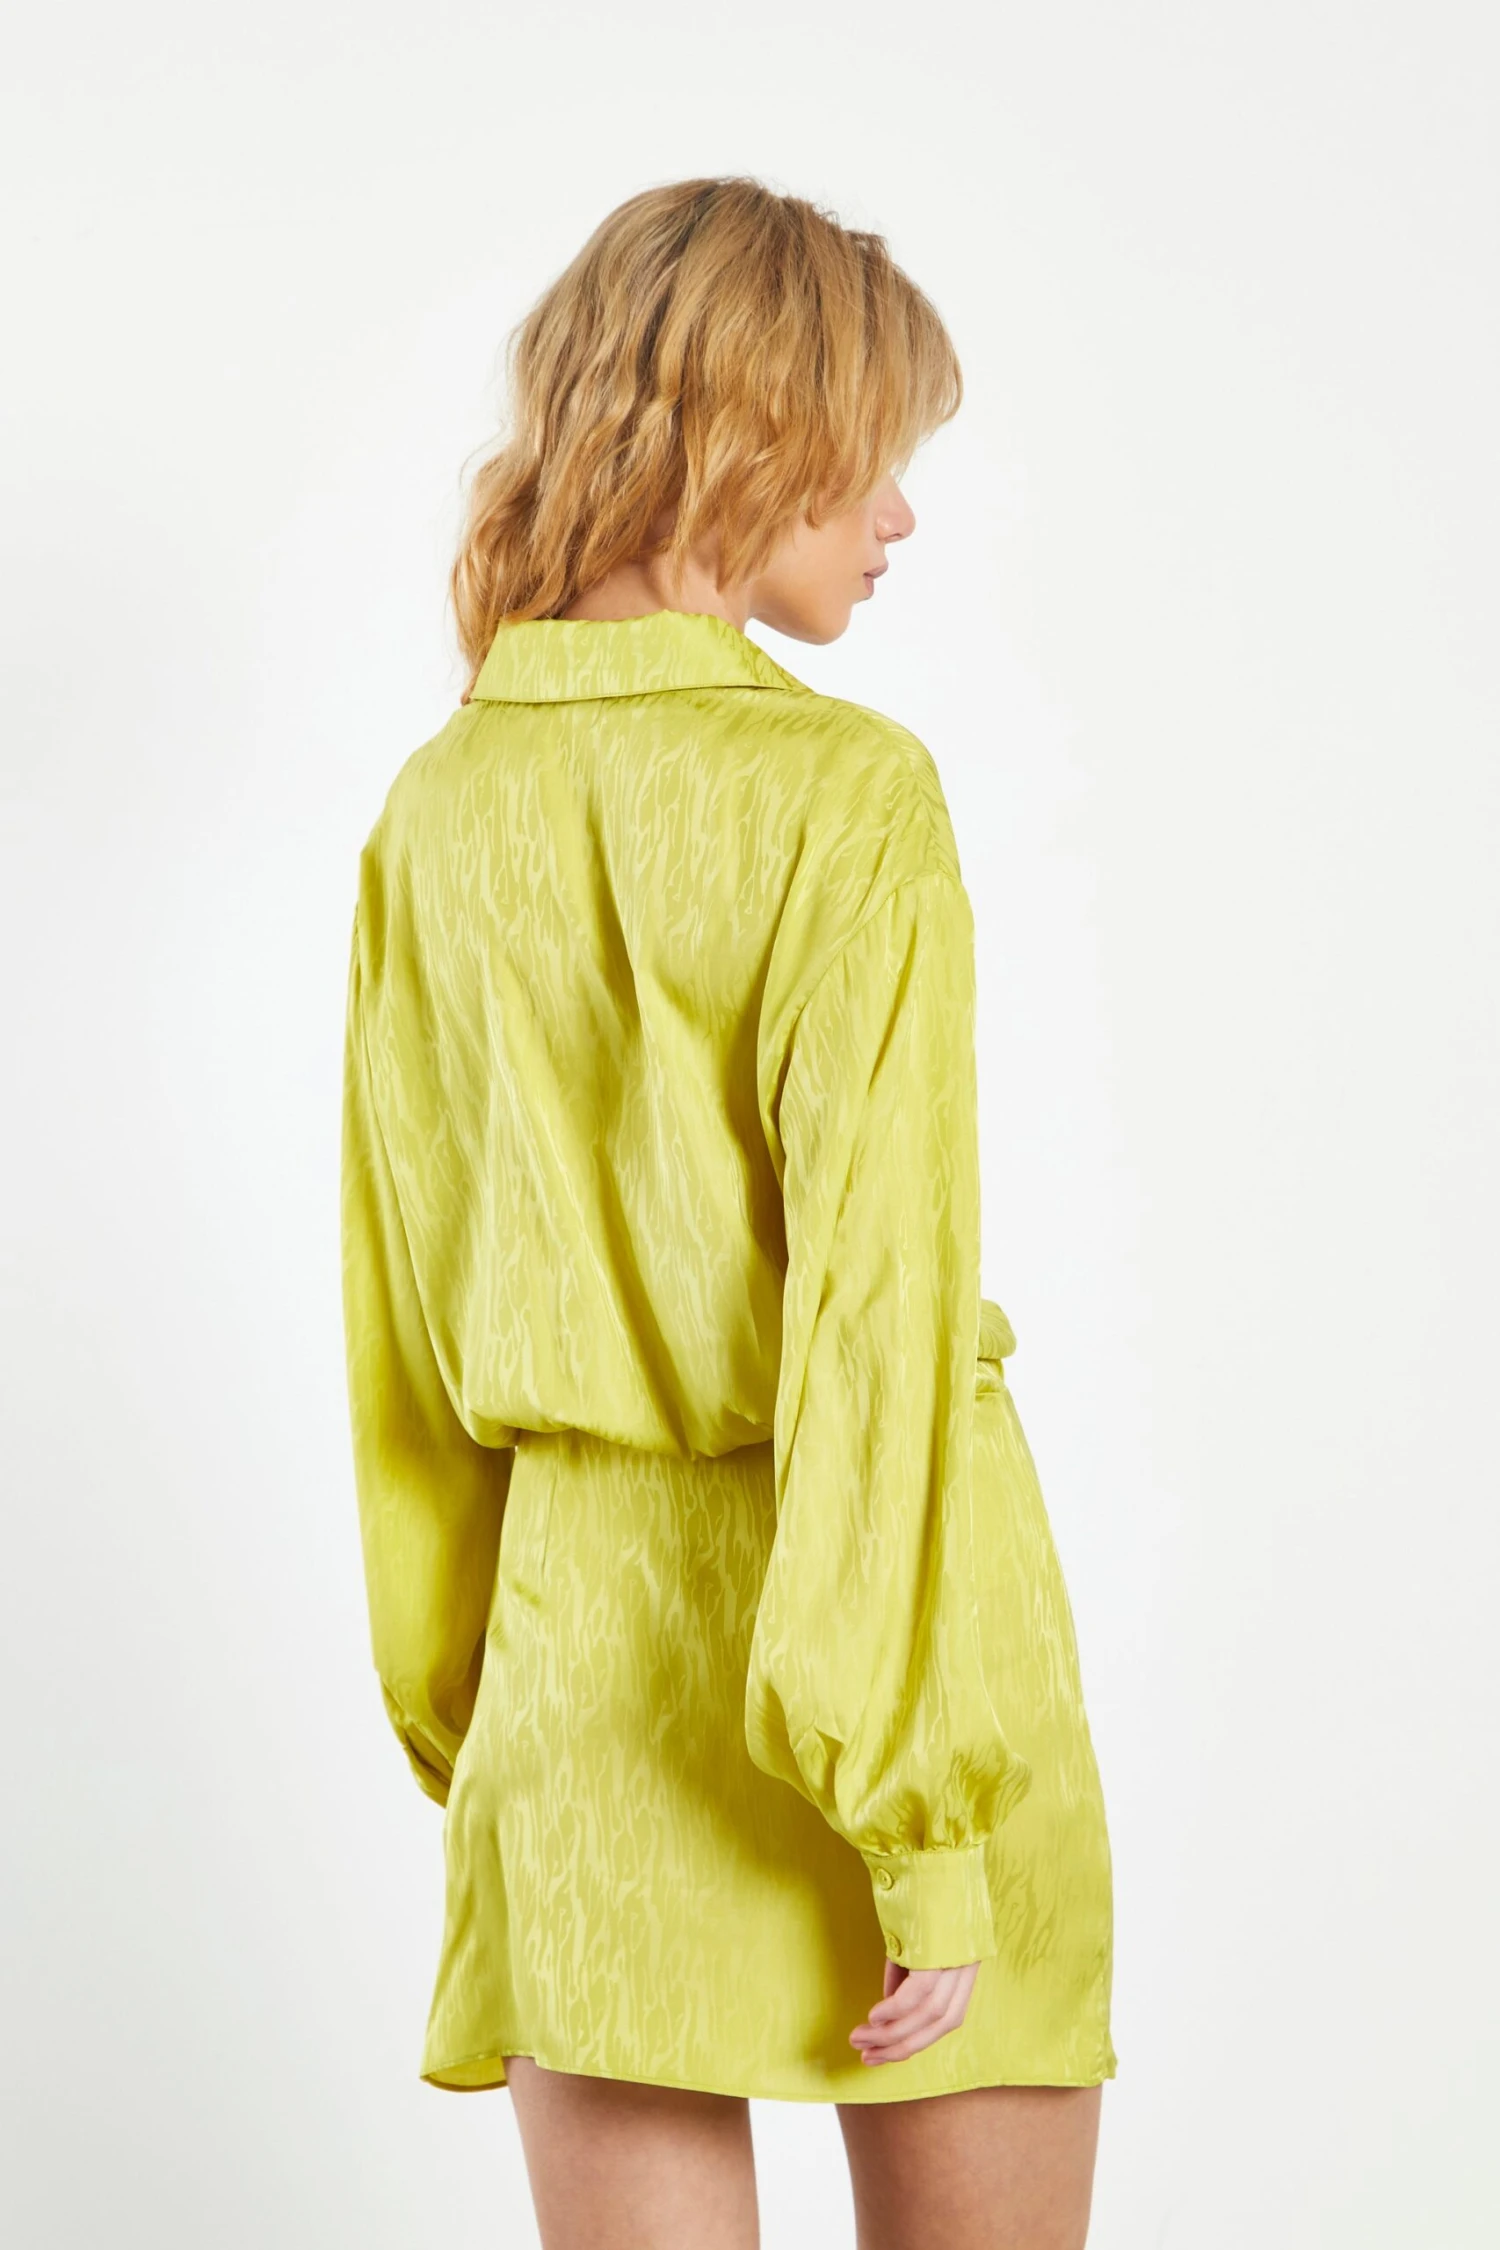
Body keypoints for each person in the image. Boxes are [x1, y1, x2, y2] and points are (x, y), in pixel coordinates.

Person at [340, 174, 1116, 2250]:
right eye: (874, 458)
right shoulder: (847, 795)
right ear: (756, 431)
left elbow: (404, 1334)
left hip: (580, 1685)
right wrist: (918, 1817)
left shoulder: (437, 809)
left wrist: (480, 1738)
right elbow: (878, 1320)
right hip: (906, 1664)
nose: (901, 517)